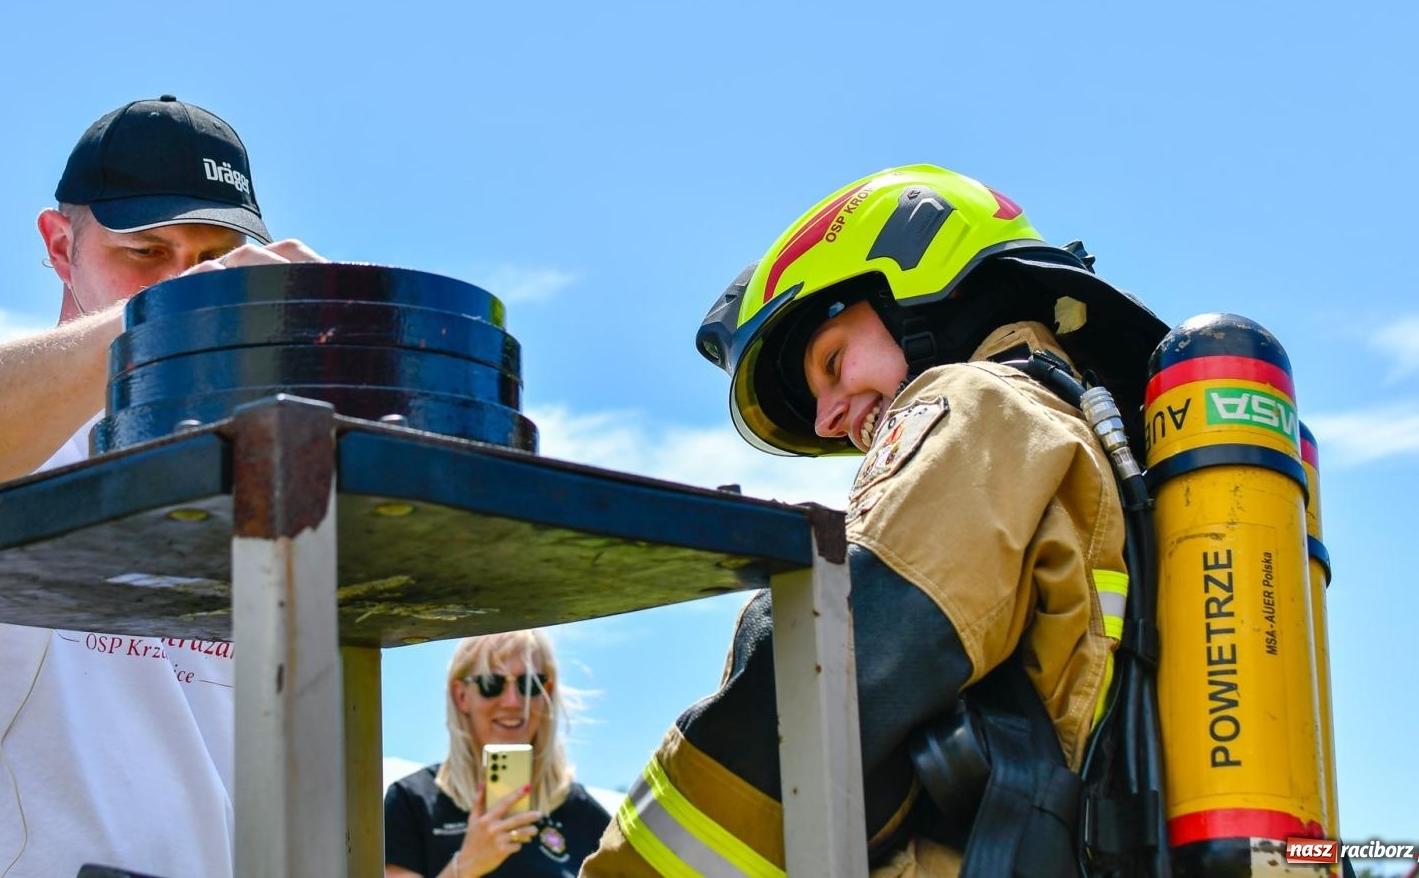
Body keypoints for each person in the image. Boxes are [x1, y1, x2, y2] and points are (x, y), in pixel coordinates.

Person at [582, 165, 1168, 878]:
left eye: (831, 363)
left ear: (916, 285)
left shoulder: (979, 405)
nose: (831, 420)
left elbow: (837, 667)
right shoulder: (1076, 434)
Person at [0, 94, 323, 877]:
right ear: (58, 242)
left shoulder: (256, 456)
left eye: (211, 260)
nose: (182, 283)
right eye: (146, 250)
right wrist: (169, 319)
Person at [386, 630, 611, 878]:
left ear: (546, 692)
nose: (512, 702)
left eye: (529, 685)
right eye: (491, 684)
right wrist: (466, 866)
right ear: (461, 696)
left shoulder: (583, 813)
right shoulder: (411, 803)